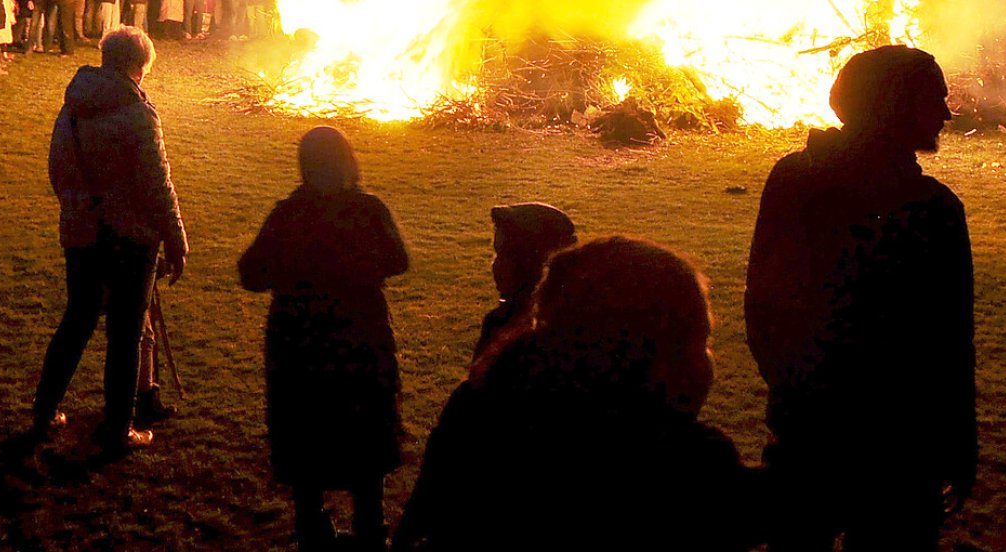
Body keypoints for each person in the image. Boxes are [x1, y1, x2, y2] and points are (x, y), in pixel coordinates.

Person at [744, 45, 975, 551]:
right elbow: (950, 343)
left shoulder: (793, 178)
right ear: (889, 103)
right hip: (900, 451)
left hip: (806, 433)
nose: (945, 112)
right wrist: (958, 446)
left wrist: (792, 390)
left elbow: (763, 307)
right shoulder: (931, 208)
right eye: (932, 98)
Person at [395, 236, 762, 551]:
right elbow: (753, 514)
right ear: (662, 358)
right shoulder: (685, 460)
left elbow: (420, 520)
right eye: (702, 341)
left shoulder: (479, 407)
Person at [238, 126, 408, 552]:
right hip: (358, 339)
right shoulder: (367, 210)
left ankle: (313, 527)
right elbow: (398, 260)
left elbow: (251, 273)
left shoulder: (288, 214)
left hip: (300, 343)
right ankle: (370, 529)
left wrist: (293, 273)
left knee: (305, 430)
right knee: (363, 431)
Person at [30, 26, 188, 454]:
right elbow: (158, 184)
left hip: (82, 232)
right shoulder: (138, 113)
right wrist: (176, 238)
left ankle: (43, 414)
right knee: (126, 333)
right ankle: (119, 428)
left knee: (76, 323)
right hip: (131, 239)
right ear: (139, 66)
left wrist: (79, 207)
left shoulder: (73, 108)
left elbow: (57, 169)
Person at [473, 203, 576, 359]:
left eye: (507, 257)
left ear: (536, 265)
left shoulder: (504, 327)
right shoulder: (580, 318)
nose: (495, 265)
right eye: (496, 255)